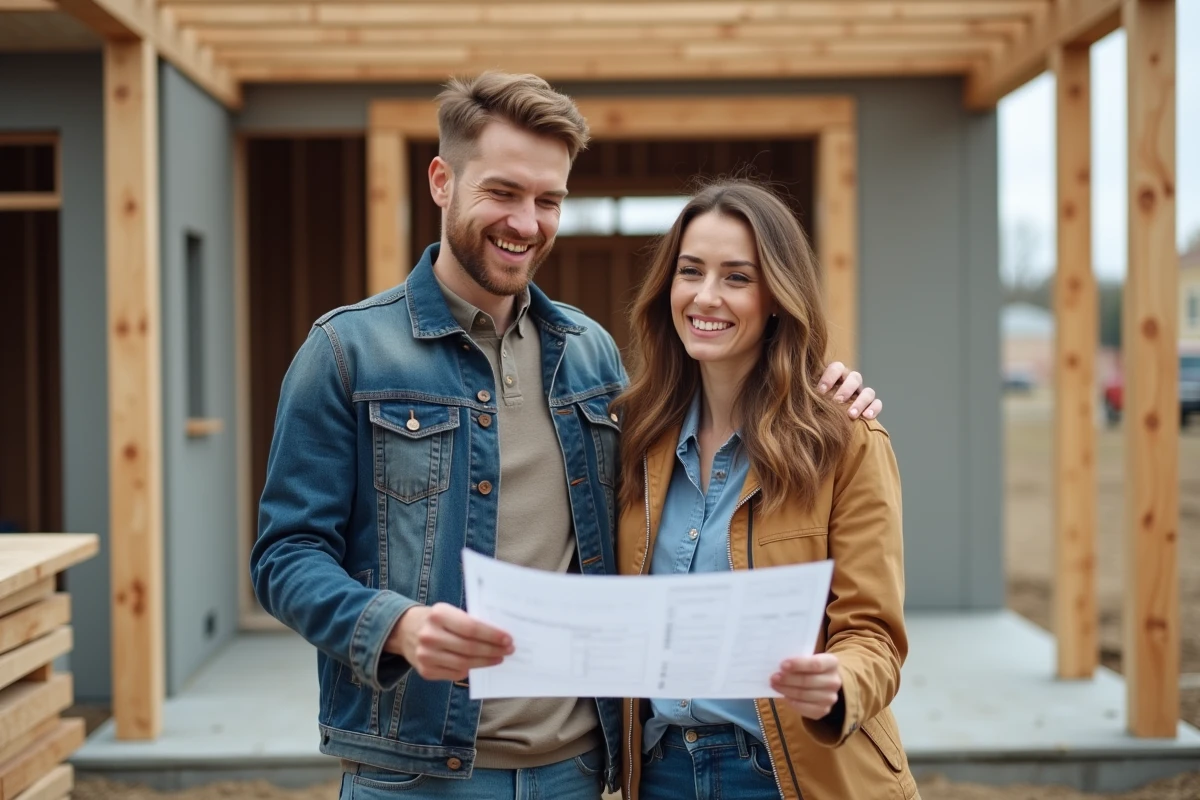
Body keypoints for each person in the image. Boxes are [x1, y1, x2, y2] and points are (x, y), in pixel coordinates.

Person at [251, 72, 882, 800]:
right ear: (441, 181)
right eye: (503, 192)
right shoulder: (345, 353)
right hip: (418, 773)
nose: (527, 221)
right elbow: (286, 555)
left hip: (578, 772)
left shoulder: (588, 354)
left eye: (548, 200)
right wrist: (396, 626)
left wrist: (821, 386)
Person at [612, 180, 917, 800]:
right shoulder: (632, 438)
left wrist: (838, 681)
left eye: (737, 278)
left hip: (798, 777)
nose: (706, 296)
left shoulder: (845, 440)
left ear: (778, 295)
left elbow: (875, 636)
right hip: (661, 774)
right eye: (690, 271)